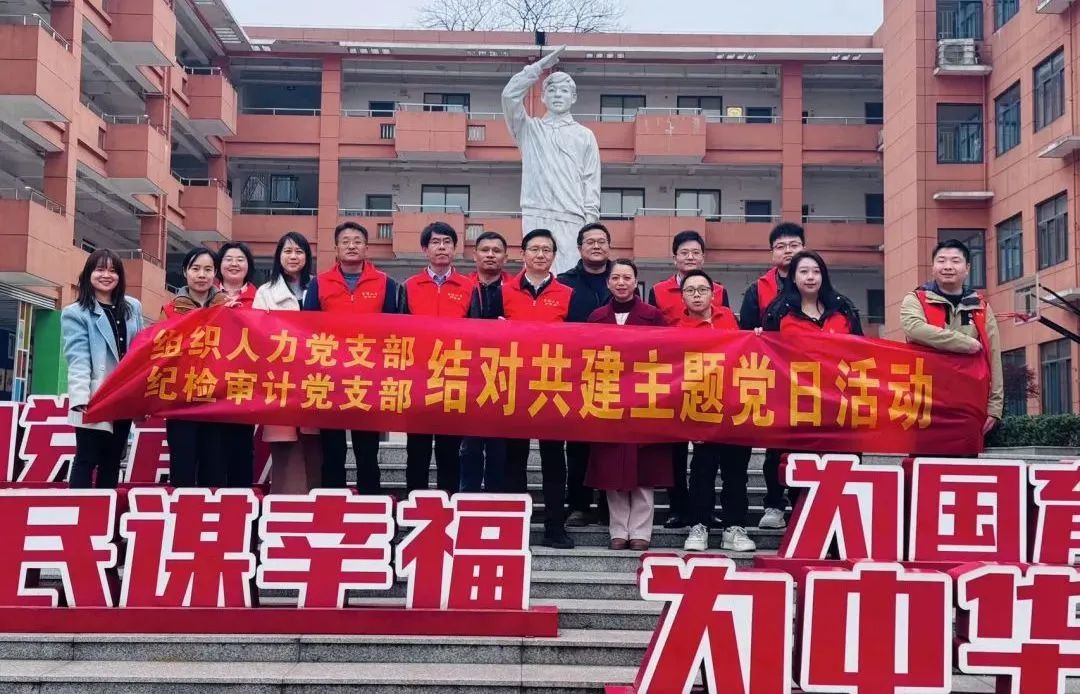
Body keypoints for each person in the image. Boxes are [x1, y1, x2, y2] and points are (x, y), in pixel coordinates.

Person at [303, 221, 400, 492]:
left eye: (357, 241)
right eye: (345, 241)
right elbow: (307, 328)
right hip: (330, 377)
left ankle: (372, 506)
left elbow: (394, 329)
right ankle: (331, 506)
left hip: (369, 377)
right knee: (332, 450)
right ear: (336, 248)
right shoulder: (320, 283)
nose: (351, 246)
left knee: (367, 450)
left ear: (367, 247)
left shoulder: (385, 283)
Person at [584, 259, 669, 550]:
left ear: (636, 282)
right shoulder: (596, 317)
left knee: (644, 469)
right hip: (609, 401)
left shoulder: (653, 316)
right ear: (608, 283)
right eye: (616, 278)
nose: (621, 283)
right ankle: (618, 530)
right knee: (612, 468)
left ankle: (641, 531)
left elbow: (666, 355)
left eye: (627, 278)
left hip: (645, 400)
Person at [649, 229, 730, 530]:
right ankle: (677, 507)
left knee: (710, 452)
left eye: (696, 253)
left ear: (703, 258)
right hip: (675, 377)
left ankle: (705, 509)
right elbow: (654, 332)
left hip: (711, 378)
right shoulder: (658, 291)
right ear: (675, 258)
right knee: (676, 450)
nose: (690, 257)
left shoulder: (718, 290)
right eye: (684, 253)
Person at [501, 228, 576, 549]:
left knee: (554, 459)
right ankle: (514, 528)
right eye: (534, 249)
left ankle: (555, 527)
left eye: (547, 250)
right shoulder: (503, 291)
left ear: (554, 256)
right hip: (514, 385)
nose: (540, 255)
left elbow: (580, 338)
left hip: (553, 385)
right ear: (523, 254)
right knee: (513, 460)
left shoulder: (567, 294)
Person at [502, 45, 601, 274]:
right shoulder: (529, 130)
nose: (558, 95)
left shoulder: (584, 135)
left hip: (573, 217)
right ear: (543, 97)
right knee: (537, 276)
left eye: (564, 91)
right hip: (536, 212)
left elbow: (591, 183)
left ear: (573, 98)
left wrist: (590, 226)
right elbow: (509, 96)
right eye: (552, 90)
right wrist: (537, 68)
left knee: (568, 280)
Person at [677, 270, 757, 553]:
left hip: (736, 408)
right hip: (702, 409)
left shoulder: (732, 320)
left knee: (736, 472)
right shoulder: (677, 330)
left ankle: (734, 527)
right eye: (690, 291)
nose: (697, 295)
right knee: (702, 471)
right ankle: (699, 525)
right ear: (682, 297)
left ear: (713, 294)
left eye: (702, 290)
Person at [739, 222, 806, 531]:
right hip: (773, 378)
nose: (788, 251)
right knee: (775, 446)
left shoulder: (819, 285)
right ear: (772, 253)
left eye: (794, 245)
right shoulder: (758, 289)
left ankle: (804, 504)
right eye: (781, 246)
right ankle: (774, 504)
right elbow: (745, 334)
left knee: (807, 444)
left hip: (811, 380)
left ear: (804, 248)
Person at [400, 221, 474, 494]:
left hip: (453, 379)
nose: (441, 247)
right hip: (418, 380)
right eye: (435, 242)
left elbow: (477, 334)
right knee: (416, 450)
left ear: (455, 248)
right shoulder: (409, 286)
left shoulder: (469, 287)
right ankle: (413, 504)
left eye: (447, 242)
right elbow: (398, 332)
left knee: (450, 450)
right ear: (424, 249)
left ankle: (449, 503)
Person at [900, 239, 1003, 435]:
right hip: (925, 400)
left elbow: (993, 355)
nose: (948, 266)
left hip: (968, 401)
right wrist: (965, 343)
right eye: (941, 261)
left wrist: (995, 407)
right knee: (924, 453)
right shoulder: (916, 299)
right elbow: (914, 329)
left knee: (965, 453)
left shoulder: (981, 307)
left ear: (967, 268)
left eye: (955, 261)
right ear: (933, 267)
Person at [62, 250, 144, 489]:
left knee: (112, 460)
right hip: (94, 397)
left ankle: (106, 508)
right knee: (86, 458)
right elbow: (78, 358)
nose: (106, 275)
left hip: (123, 397)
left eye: (113, 270)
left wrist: (141, 397)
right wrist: (80, 397)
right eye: (100, 269)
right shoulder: (76, 313)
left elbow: (141, 351)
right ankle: (79, 508)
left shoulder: (132, 307)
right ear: (88, 274)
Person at [253, 231, 321, 494]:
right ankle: (285, 504)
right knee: (285, 445)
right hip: (280, 377)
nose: (293, 257)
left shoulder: (318, 287)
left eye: (299, 251)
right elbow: (257, 334)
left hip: (316, 376)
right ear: (278, 256)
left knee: (314, 445)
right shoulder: (265, 292)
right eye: (288, 251)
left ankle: (315, 503)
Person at [557, 222, 614, 526]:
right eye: (590, 241)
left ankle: (608, 505)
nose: (596, 246)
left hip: (615, 375)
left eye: (601, 241)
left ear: (609, 246)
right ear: (579, 248)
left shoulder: (621, 277)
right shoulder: (564, 283)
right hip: (575, 374)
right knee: (577, 445)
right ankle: (578, 504)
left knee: (609, 443)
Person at [162, 247, 228, 486]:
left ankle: (210, 510)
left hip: (217, 400)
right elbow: (158, 355)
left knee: (215, 468)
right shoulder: (170, 310)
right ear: (185, 272)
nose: (202, 275)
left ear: (215, 273)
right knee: (182, 467)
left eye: (208, 269)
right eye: (196, 269)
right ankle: (182, 509)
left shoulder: (230, 309)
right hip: (182, 401)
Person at [461, 231, 511, 492]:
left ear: (506, 257)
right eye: (485, 250)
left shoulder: (515, 289)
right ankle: (466, 497)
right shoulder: (461, 287)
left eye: (496, 250)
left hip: (505, 378)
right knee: (469, 446)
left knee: (499, 447)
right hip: (466, 376)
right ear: (474, 255)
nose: (490, 255)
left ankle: (496, 499)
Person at [214, 241, 258, 488]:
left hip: (245, 385)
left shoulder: (260, 297)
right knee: (211, 451)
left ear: (248, 266)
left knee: (241, 449)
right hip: (209, 385)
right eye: (228, 259)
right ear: (219, 265)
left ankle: (241, 504)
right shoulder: (205, 295)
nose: (234, 264)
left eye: (240, 259)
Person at [762, 250, 863, 337]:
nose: (810, 277)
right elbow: (769, 348)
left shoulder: (842, 308)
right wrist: (760, 335)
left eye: (816, 271)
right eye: (804, 271)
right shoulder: (779, 312)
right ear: (793, 277)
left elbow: (859, 346)